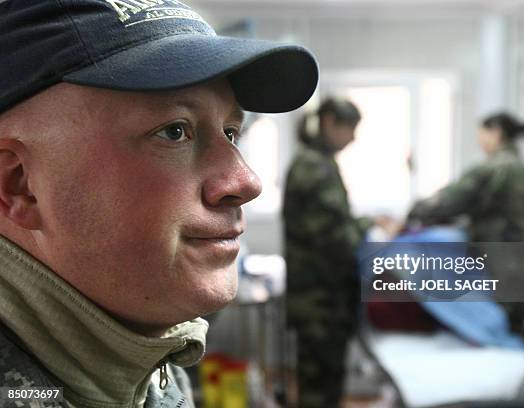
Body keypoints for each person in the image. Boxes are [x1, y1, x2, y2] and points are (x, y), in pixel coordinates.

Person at [0, 0, 318, 406]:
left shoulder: (155, 362)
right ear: (19, 184)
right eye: (174, 131)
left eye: (231, 133)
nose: (246, 182)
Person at [408, 112, 524, 351]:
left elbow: (450, 200)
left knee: (500, 333)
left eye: (481, 134)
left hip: (503, 265)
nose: (479, 141)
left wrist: (414, 214)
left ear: (496, 133)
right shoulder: (520, 168)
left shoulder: (495, 168)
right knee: (521, 332)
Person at [283, 97, 376, 408]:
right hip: (319, 301)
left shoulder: (319, 163)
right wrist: (368, 228)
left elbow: (336, 224)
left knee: (327, 382)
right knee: (318, 389)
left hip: (324, 299)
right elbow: (337, 240)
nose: (353, 137)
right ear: (329, 123)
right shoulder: (314, 168)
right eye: (349, 128)